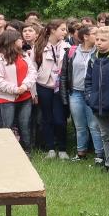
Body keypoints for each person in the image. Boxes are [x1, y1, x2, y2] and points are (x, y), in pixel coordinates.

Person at [0, 28, 37, 151]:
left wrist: (24, 86)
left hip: (25, 96)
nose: (22, 40)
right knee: (7, 127)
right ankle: (6, 151)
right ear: (12, 41)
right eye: (19, 38)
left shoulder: (24, 55)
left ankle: (26, 150)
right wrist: (15, 89)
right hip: (6, 98)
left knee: (25, 125)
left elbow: (32, 72)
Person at [85, 26, 109, 169]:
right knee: (105, 135)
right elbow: (88, 80)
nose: (99, 42)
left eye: (103, 40)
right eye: (97, 39)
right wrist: (89, 97)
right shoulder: (93, 58)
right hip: (97, 105)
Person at [34, 19, 70, 159]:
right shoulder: (39, 47)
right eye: (62, 29)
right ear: (53, 30)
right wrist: (33, 91)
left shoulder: (67, 47)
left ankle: (62, 148)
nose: (65, 32)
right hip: (43, 86)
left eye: (65, 29)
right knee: (46, 118)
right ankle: (50, 148)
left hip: (60, 87)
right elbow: (32, 69)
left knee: (60, 119)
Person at [61, 25, 98, 160]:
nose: (98, 36)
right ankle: (81, 153)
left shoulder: (99, 51)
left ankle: (100, 155)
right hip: (75, 93)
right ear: (86, 36)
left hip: (92, 93)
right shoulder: (72, 51)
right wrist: (65, 96)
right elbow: (64, 75)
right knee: (79, 125)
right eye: (95, 33)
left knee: (94, 125)